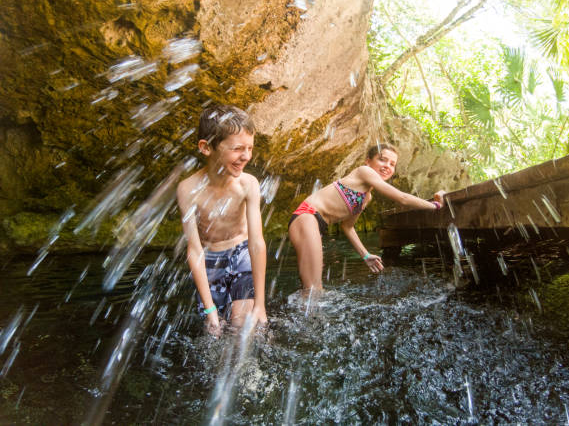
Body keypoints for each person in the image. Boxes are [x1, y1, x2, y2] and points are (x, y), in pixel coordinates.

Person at [288, 144, 446, 290]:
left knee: (313, 288)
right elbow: (402, 198)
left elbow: (347, 227)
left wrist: (365, 255)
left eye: (392, 164)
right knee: (313, 289)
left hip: (315, 223)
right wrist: (436, 206)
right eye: (382, 160)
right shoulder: (364, 171)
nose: (387, 166)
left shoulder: (366, 197)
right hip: (307, 216)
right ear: (368, 161)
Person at [177, 104, 267, 334]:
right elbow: (194, 249)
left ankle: (252, 369)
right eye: (237, 149)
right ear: (206, 147)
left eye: (250, 148)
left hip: (242, 251)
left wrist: (261, 304)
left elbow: (256, 244)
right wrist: (209, 310)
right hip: (210, 258)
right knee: (215, 329)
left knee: (244, 325)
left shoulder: (248, 184)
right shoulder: (188, 189)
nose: (246, 156)